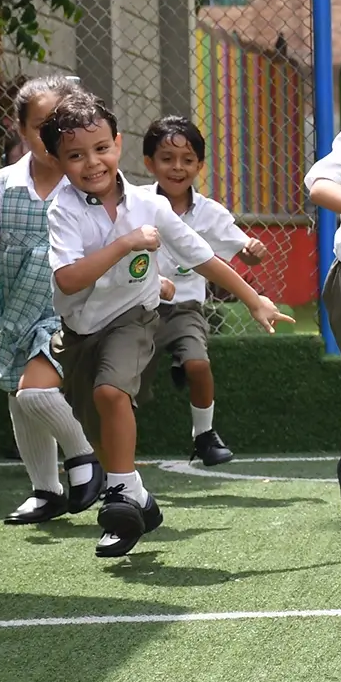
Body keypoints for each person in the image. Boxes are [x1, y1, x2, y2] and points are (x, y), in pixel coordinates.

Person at [42, 91, 290, 557]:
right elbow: (69, 279)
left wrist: (254, 299)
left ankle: (117, 496)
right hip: (80, 329)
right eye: (75, 155)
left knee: (111, 392)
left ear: (117, 143)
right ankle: (136, 495)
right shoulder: (63, 210)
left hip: (134, 317)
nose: (92, 163)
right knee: (96, 424)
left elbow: (203, 258)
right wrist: (126, 244)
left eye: (101, 149)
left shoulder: (147, 205)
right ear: (58, 160)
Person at [0, 75, 103, 524]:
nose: (52, 136)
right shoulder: (6, 182)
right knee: (19, 400)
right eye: (41, 126)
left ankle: (84, 458)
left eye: (62, 125)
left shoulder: (87, 184)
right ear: (22, 131)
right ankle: (45, 490)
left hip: (68, 309)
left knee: (33, 393)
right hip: (18, 305)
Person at [142, 115, 265, 467]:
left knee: (198, 364)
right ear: (149, 163)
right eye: (167, 159)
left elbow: (243, 251)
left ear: (200, 165)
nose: (177, 168)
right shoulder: (136, 204)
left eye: (188, 160)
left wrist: (252, 251)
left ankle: (204, 435)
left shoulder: (210, 213)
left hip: (185, 308)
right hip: (138, 308)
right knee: (128, 385)